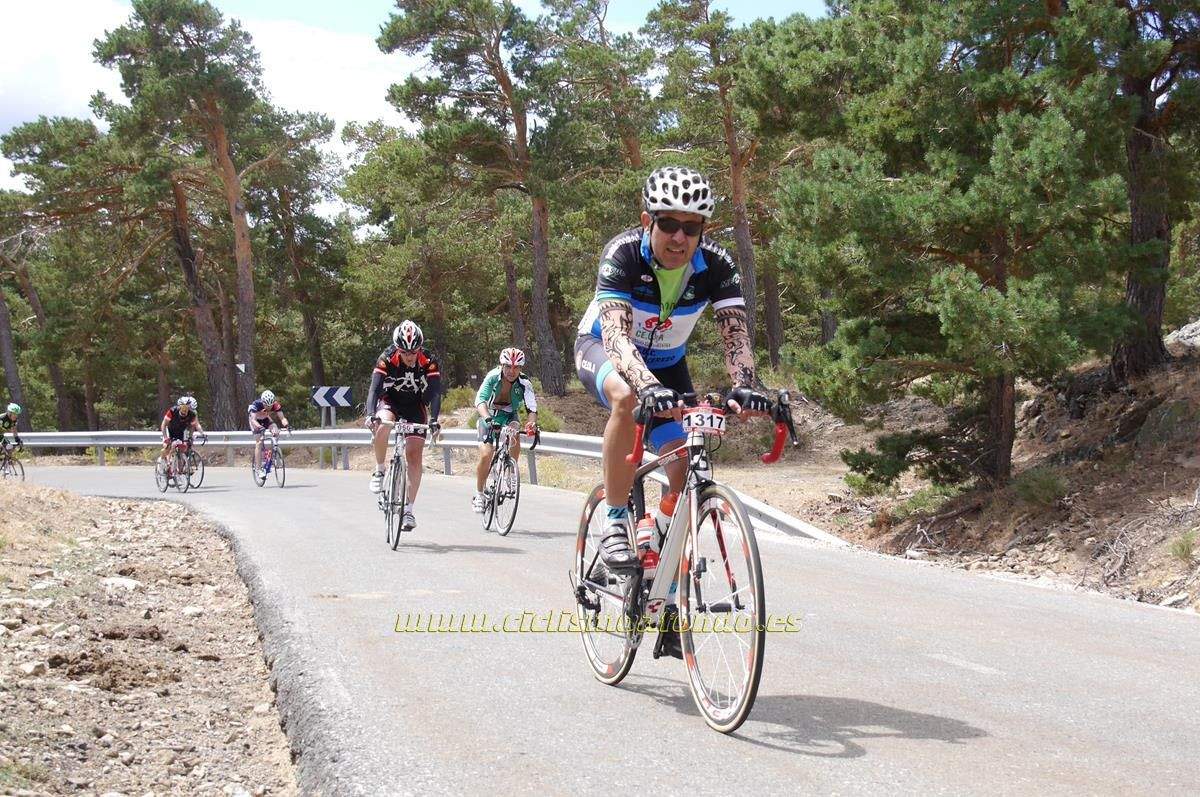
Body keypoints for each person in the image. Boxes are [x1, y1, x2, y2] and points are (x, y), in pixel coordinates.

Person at [573, 166, 771, 572]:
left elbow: (735, 334)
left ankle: (656, 553)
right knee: (626, 399)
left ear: (703, 229)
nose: (680, 237)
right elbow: (615, 335)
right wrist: (646, 385)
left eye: (691, 227)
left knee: (682, 467)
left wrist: (745, 385)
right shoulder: (623, 253)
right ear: (648, 221)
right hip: (603, 350)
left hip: (668, 363)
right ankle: (613, 522)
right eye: (668, 224)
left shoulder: (717, 265)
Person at [364, 320, 442, 531]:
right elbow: (374, 389)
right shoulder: (387, 358)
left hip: (414, 405)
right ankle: (380, 470)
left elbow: (435, 392)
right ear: (397, 349)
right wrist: (371, 414)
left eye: (413, 352)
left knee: (415, 456)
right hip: (389, 401)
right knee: (383, 425)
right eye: (405, 352)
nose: (409, 356)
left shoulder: (428, 360)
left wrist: (434, 419)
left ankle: (408, 510)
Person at [472, 348, 538, 514]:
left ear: (521, 368)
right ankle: (479, 493)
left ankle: (510, 473)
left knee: (515, 432)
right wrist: (487, 418)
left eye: (516, 368)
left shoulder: (525, 383)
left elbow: (532, 408)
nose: (511, 371)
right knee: (487, 454)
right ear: (502, 365)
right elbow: (480, 400)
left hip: (509, 416)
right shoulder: (492, 377)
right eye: (508, 366)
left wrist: (531, 424)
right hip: (490, 414)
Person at [248, 390, 290, 477]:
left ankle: (272, 453)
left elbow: (282, 418)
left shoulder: (275, 405)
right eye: (267, 405)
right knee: (259, 442)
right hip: (255, 421)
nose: (269, 407)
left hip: (265, 419)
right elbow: (253, 420)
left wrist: (287, 425)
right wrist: (260, 427)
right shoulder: (256, 404)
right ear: (263, 402)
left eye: (271, 405)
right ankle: (258, 469)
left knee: (276, 431)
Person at [160, 396, 204, 461]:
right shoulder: (173, 411)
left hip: (180, 430)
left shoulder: (192, 414)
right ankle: (163, 460)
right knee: (167, 446)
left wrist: (202, 433)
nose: (186, 410)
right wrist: (165, 437)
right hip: (169, 429)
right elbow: (164, 424)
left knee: (182, 447)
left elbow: (196, 425)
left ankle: (178, 465)